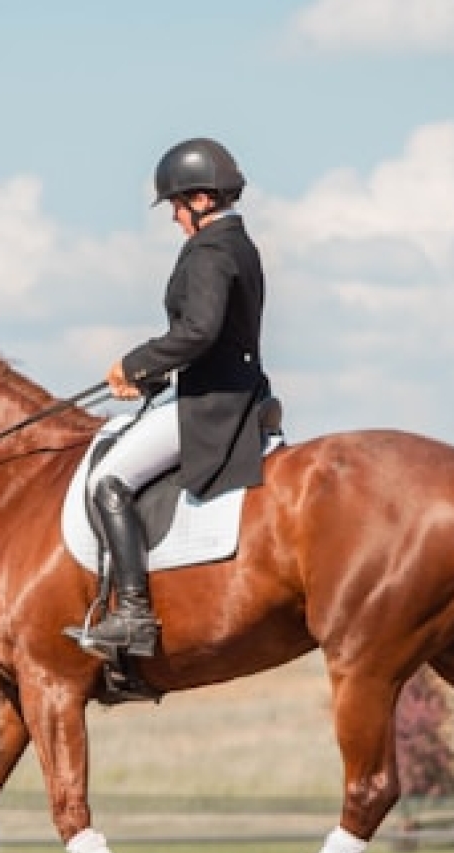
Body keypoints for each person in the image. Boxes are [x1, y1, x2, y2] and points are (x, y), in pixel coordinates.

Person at [74, 137, 272, 659]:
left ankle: (134, 614)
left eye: (178, 205)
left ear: (202, 200)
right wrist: (153, 378)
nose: (174, 218)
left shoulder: (209, 250)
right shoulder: (238, 244)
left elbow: (200, 331)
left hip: (211, 405)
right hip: (230, 389)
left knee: (107, 479)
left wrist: (135, 363)